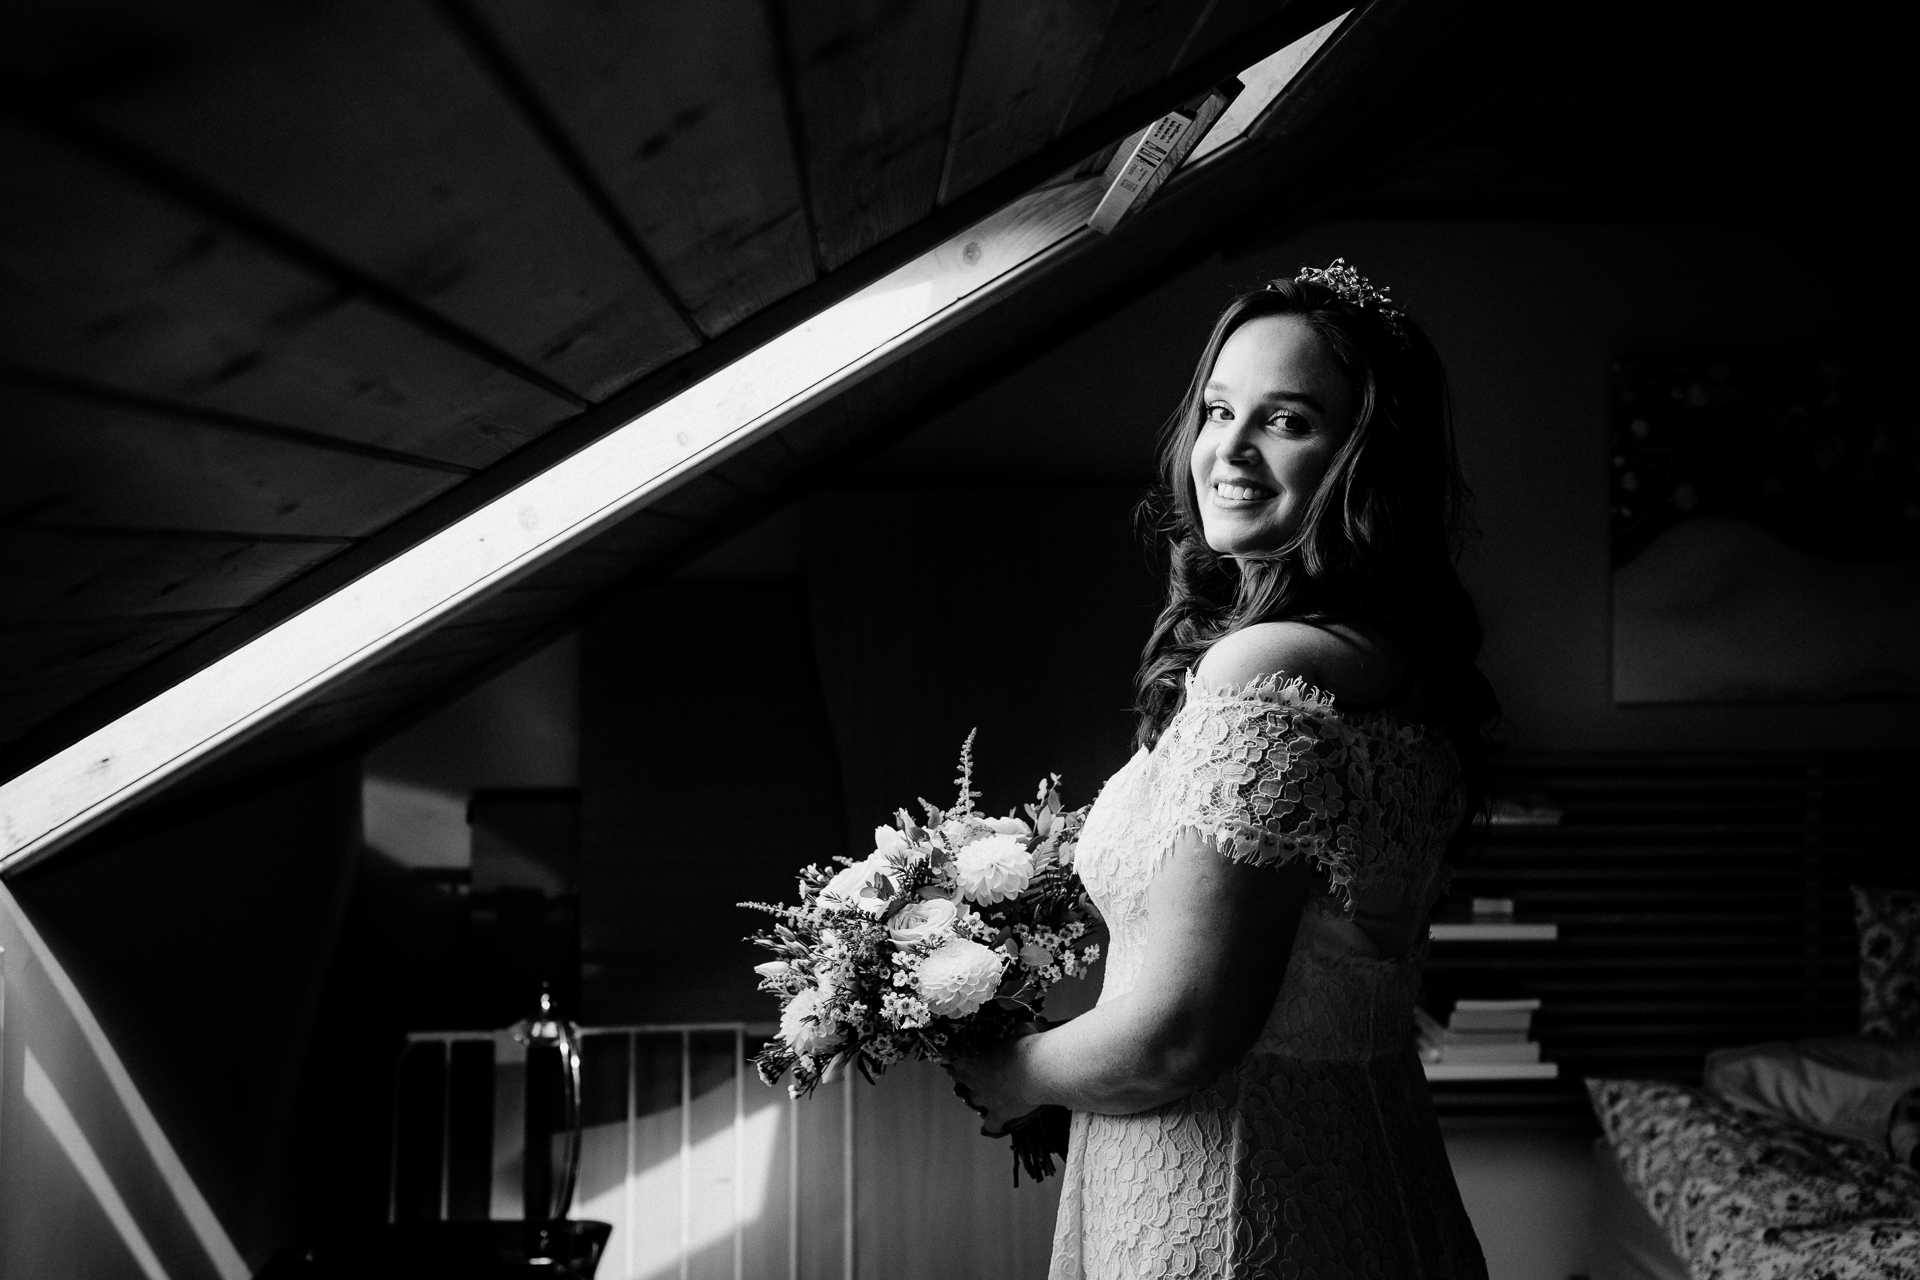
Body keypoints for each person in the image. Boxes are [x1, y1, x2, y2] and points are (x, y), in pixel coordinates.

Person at [950, 261, 1497, 1278]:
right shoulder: (1396, 665)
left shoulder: (1267, 667)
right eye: (1216, 409)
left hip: (1227, 1208)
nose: (1229, 450)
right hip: (1363, 1180)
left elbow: (1179, 1034)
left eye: (1284, 419)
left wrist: (1010, 1068)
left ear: (1366, 458)